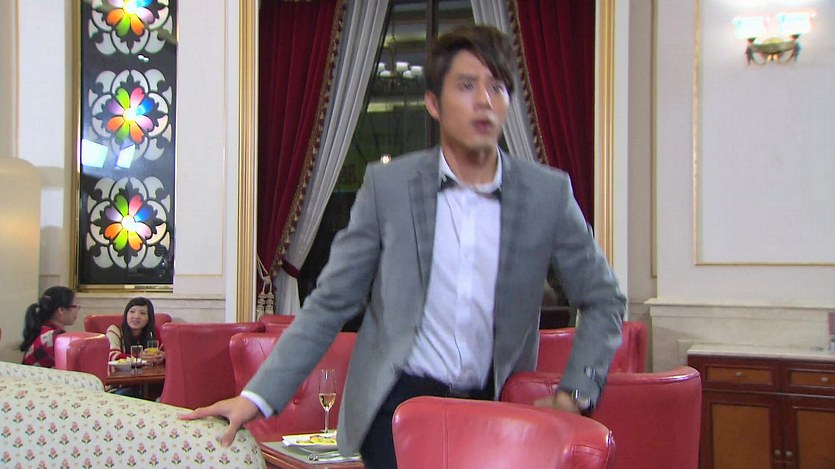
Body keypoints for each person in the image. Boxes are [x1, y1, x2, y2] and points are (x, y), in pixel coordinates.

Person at [182, 24, 626, 468]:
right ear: (433, 103)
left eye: (497, 87)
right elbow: (331, 302)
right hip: (395, 407)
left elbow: (604, 298)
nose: (484, 100)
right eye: (466, 85)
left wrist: (574, 395)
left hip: (493, 410)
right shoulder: (388, 187)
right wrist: (256, 397)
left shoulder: (547, 194)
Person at [20, 286, 80, 367]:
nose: (77, 310)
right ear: (61, 310)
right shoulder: (55, 337)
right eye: (75, 306)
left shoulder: (43, 330)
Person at [106, 297, 165, 364]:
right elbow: (111, 356)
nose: (136, 316)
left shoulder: (153, 331)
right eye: (132, 312)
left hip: (150, 370)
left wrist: (163, 356)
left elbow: (168, 352)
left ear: (149, 317)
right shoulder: (115, 331)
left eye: (142, 313)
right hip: (120, 371)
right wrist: (138, 357)